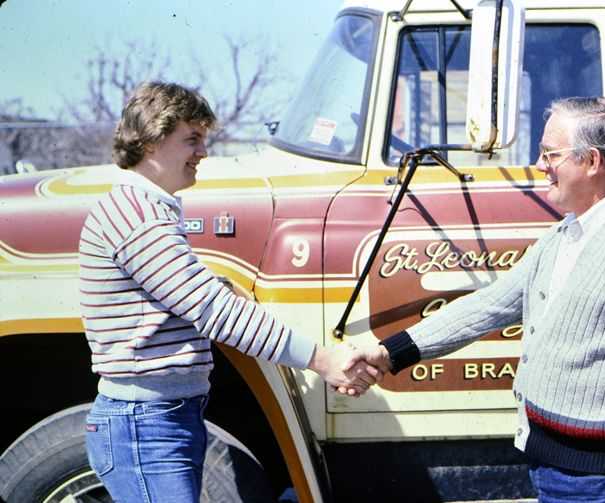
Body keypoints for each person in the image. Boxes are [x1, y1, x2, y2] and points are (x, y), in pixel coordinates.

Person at [353, 97, 605, 502]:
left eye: (549, 154)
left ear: (592, 162)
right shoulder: (565, 236)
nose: (540, 165)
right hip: (549, 465)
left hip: (598, 484)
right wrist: (391, 352)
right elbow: (488, 306)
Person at [79, 81, 381, 502]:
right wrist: (322, 359)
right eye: (192, 139)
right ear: (150, 142)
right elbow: (212, 309)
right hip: (145, 425)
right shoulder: (139, 216)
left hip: (157, 419)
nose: (203, 152)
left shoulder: (146, 210)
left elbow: (186, 297)